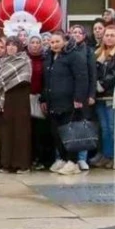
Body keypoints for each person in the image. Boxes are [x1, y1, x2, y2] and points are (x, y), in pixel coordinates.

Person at [43, 31, 89, 175]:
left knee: (70, 134)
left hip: (69, 102)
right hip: (53, 102)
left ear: (64, 41)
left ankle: (73, 161)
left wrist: (79, 98)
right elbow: (47, 81)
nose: (54, 45)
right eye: (52, 42)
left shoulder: (74, 56)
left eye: (57, 41)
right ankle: (62, 158)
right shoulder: (50, 57)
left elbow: (81, 77)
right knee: (56, 133)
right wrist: (44, 98)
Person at [0, 37, 33, 173]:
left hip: (20, 99)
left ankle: (21, 164)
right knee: (6, 132)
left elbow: (25, 78)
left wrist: (6, 84)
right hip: (6, 100)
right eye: (8, 45)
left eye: (14, 45)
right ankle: (7, 163)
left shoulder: (25, 60)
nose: (11, 48)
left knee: (20, 132)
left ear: (19, 47)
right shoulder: (3, 62)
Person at [92, 25, 115, 168]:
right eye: (107, 35)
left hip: (111, 96)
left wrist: (102, 84)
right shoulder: (98, 53)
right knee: (103, 128)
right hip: (99, 97)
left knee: (112, 127)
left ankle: (113, 156)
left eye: (112, 35)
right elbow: (93, 70)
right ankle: (104, 154)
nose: (109, 38)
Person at [69, 24, 97, 170]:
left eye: (80, 32)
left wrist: (92, 94)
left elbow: (92, 74)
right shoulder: (67, 50)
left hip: (84, 94)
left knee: (83, 126)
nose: (77, 35)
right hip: (69, 94)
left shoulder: (88, 52)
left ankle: (82, 158)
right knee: (70, 126)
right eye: (74, 32)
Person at [26, 35, 52, 169]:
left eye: (37, 42)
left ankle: (41, 159)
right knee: (27, 130)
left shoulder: (46, 59)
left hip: (40, 98)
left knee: (40, 130)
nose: (35, 45)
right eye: (32, 42)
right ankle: (29, 158)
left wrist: (44, 97)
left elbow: (47, 80)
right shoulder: (24, 59)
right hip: (25, 98)